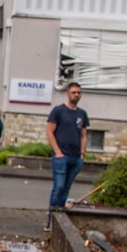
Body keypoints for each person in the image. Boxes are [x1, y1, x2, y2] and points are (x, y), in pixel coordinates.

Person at [45, 82, 89, 230]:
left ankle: (60, 221)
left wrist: (82, 154)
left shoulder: (82, 114)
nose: (76, 95)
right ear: (68, 93)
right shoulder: (58, 111)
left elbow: (83, 135)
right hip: (61, 157)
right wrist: (57, 152)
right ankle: (51, 218)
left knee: (66, 188)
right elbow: (50, 132)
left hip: (76, 157)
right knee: (59, 186)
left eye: (78, 93)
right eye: (74, 92)